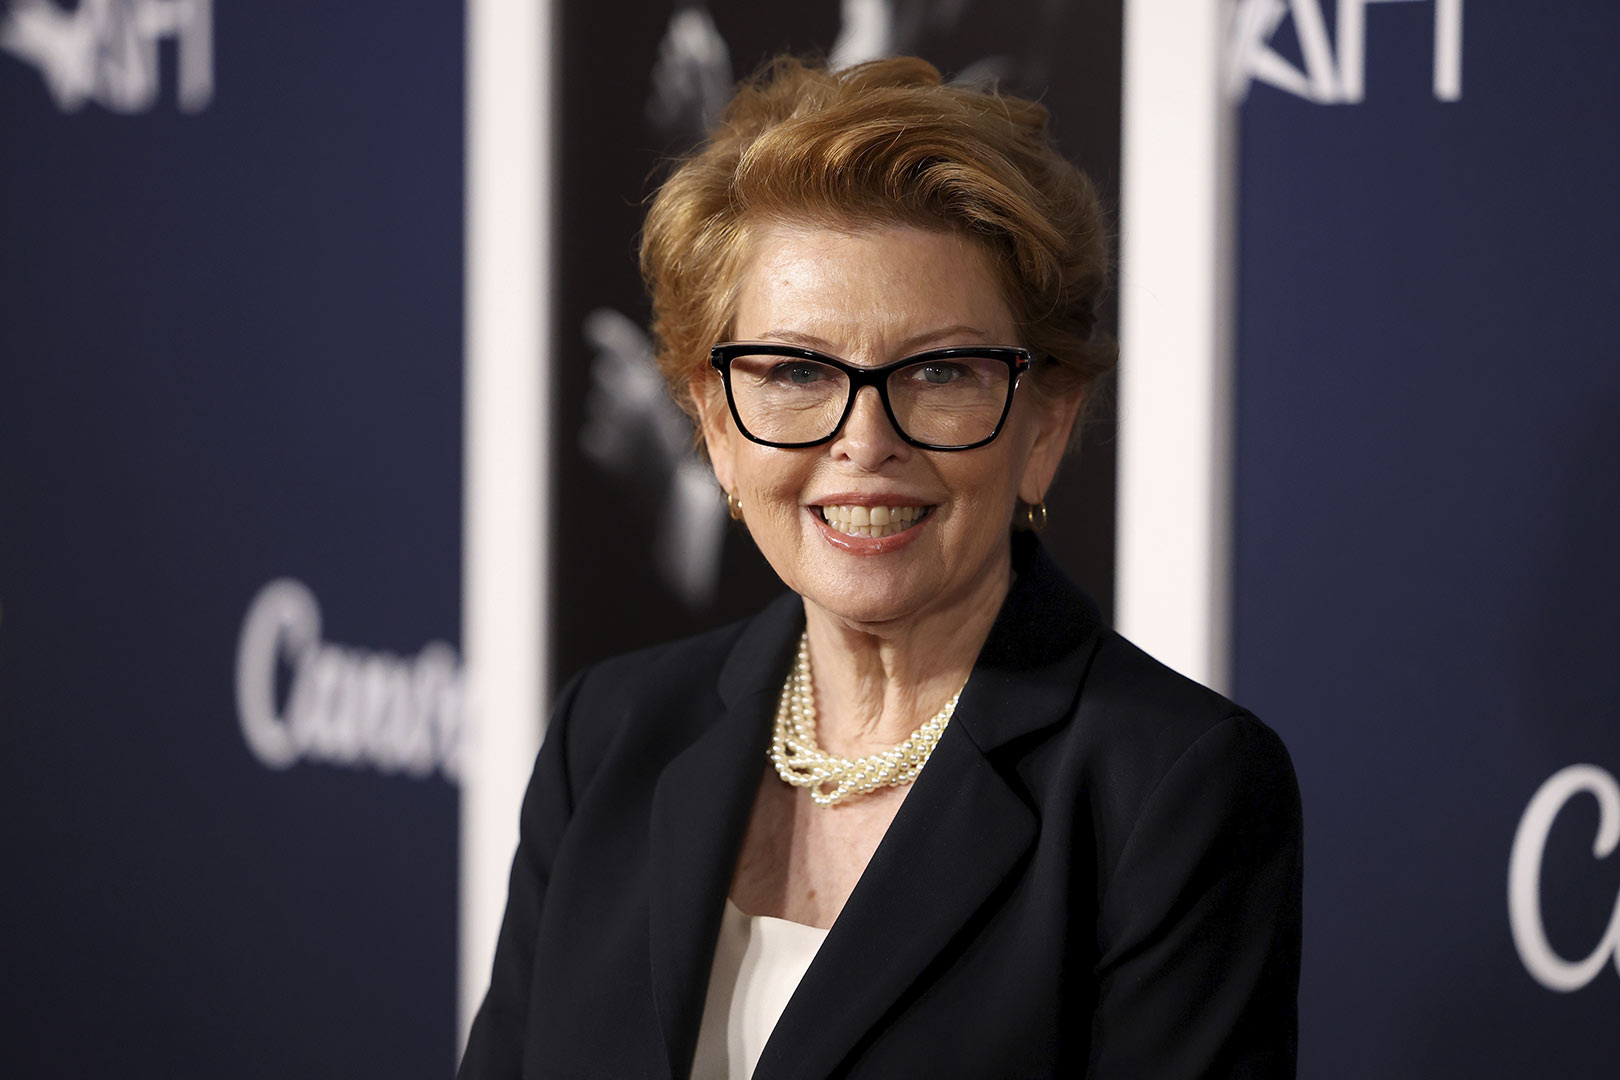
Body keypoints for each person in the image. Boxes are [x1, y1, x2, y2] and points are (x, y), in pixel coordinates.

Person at [459, 56, 1301, 1080]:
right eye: (797, 371)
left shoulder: (1170, 794)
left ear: (1046, 425)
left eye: (940, 371)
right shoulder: (612, 735)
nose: (865, 441)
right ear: (713, 424)